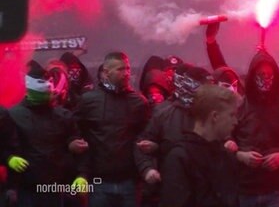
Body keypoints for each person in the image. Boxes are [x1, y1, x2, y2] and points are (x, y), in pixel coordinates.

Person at [232, 50, 279, 207]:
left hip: (278, 188)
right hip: (247, 188)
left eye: (268, 74)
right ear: (252, 76)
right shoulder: (238, 108)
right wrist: (241, 155)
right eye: (260, 74)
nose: (265, 78)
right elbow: (225, 141)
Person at [74, 52, 150, 207]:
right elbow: (78, 136)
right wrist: (82, 174)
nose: (126, 73)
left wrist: (146, 169)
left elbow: (144, 137)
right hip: (98, 182)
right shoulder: (89, 101)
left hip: (130, 182)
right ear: (106, 72)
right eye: (121, 69)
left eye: (128, 68)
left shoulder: (139, 102)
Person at [9, 62, 88, 207]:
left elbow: (78, 147)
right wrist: (9, 158)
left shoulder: (63, 116)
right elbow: (4, 145)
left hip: (57, 188)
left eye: (48, 94)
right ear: (30, 90)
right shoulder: (14, 115)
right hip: (26, 188)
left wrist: (82, 175)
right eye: (41, 94)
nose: (47, 97)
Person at [135, 64, 213, 207]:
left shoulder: (214, 115)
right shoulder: (164, 113)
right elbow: (141, 145)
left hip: (207, 191)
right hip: (174, 190)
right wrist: (148, 169)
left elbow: (224, 147)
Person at [159, 84, 240, 207]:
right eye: (231, 115)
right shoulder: (180, 158)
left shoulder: (225, 156)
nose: (236, 121)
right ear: (215, 116)